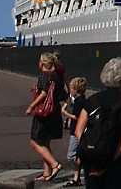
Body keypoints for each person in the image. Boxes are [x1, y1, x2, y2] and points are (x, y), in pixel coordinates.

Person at [75, 58, 121, 189]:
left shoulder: (92, 100)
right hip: (116, 160)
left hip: (92, 160)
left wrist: (91, 150)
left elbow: (78, 130)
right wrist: (109, 159)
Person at [27, 52, 64, 182]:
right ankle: (46, 171)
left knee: (35, 141)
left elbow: (43, 93)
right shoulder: (56, 76)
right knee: (45, 141)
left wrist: (31, 106)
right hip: (54, 111)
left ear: (42, 63)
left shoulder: (44, 75)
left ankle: (55, 165)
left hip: (44, 112)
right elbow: (60, 92)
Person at [62, 77, 87, 187]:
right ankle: (76, 178)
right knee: (75, 154)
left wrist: (65, 113)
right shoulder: (82, 100)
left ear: (75, 89)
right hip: (77, 129)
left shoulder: (79, 101)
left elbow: (77, 117)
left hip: (76, 129)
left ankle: (84, 166)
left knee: (72, 155)